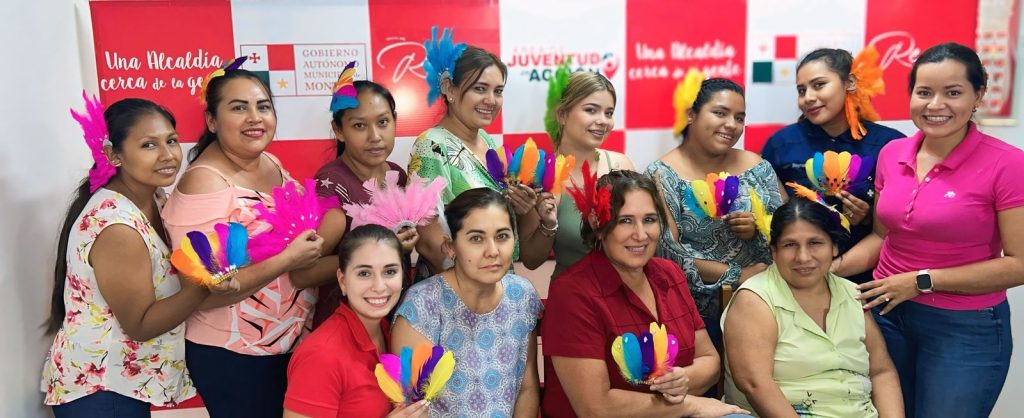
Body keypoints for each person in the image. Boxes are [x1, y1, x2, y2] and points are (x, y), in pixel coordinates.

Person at [835, 42, 1024, 418]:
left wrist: (920, 281)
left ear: (978, 95)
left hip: (963, 329)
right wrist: (827, 269)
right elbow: (883, 236)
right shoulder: (893, 153)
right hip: (885, 315)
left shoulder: (1008, 164)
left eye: (952, 92)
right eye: (924, 92)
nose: (935, 105)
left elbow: (1019, 264)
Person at [161, 63, 324, 417]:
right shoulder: (204, 183)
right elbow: (204, 293)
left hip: (291, 346)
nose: (255, 117)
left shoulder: (271, 163)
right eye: (238, 107)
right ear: (212, 121)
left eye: (263, 106)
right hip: (236, 355)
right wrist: (290, 259)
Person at [542, 169, 750, 418]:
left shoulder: (669, 273)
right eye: (625, 221)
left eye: (649, 220)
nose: (641, 235)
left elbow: (710, 360)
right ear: (598, 225)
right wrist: (690, 405)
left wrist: (683, 378)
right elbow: (595, 407)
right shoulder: (572, 292)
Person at [41, 96, 203, 417]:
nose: (168, 154)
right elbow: (140, 324)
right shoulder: (118, 227)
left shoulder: (154, 196)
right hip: (102, 390)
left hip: (118, 385)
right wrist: (205, 285)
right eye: (148, 145)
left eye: (171, 140)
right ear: (113, 154)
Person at [722, 198, 903, 417]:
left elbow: (882, 372)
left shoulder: (852, 294)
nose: (803, 257)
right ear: (773, 251)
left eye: (815, 243)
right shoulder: (755, 300)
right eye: (790, 245)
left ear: (834, 247)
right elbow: (755, 384)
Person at [646, 78, 785, 349]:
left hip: (764, 302)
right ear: (691, 115)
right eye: (720, 113)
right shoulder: (661, 175)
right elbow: (667, 254)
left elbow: (789, 229)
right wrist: (737, 274)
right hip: (693, 313)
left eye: (739, 117)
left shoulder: (757, 167)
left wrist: (757, 227)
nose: (731, 125)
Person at [408, 28, 553, 279]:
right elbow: (430, 243)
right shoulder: (431, 146)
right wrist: (476, 288)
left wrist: (526, 208)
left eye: (498, 91)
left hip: (493, 285)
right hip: (456, 292)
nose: (491, 100)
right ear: (449, 89)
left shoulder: (486, 141)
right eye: (480, 88)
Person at [391, 188, 543, 417]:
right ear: (451, 247)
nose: (493, 251)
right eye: (476, 238)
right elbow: (413, 408)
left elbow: (526, 387)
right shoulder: (422, 306)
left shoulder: (522, 295)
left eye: (502, 236)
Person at [761, 47, 904, 284]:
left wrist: (869, 217)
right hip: (799, 275)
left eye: (819, 85)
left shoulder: (890, 144)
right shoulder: (781, 144)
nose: (807, 97)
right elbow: (772, 218)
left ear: (849, 83)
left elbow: (899, 226)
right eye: (801, 90)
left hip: (870, 280)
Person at [284, 225, 428, 418]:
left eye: (390, 271)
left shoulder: (388, 331)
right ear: (342, 281)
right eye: (364, 273)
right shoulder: (321, 355)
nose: (379, 286)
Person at [310, 77, 418, 328]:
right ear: (339, 130)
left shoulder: (397, 174)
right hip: (345, 324)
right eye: (359, 125)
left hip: (394, 317)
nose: (375, 136)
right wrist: (377, 251)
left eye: (383, 122)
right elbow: (305, 272)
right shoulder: (330, 184)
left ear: (395, 121)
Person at [519, 69, 635, 278]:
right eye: (591, 110)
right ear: (562, 115)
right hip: (573, 299)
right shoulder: (539, 175)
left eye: (609, 113)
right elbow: (531, 261)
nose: (603, 121)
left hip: (626, 294)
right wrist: (549, 224)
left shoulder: (620, 163)